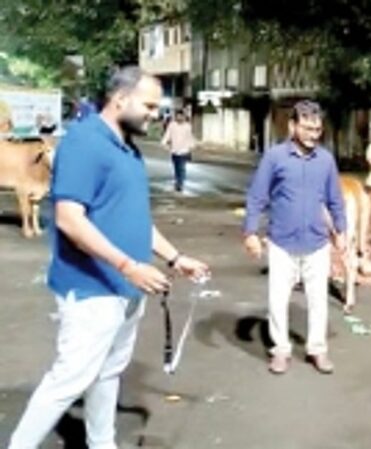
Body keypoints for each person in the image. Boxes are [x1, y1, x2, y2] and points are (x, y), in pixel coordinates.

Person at [8, 66, 210, 449]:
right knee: (68, 381)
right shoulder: (85, 142)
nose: (155, 114)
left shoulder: (127, 148)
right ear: (120, 99)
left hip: (127, 289)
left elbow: (133, 220)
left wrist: (174, 257)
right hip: (91, 290)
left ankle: (103, 444)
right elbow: (69, 220)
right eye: (149, 106)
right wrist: (128, 266)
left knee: (107, 373)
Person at [243, 100, 347, 375]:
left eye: (317, 129)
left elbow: (335, 199)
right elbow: (257, 196)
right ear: (292, 126)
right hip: (281, 241)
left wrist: (342, 231)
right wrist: (250, 232)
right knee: (278, 299)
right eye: (307, 128)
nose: (313, 134)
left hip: (316, 242)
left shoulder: (325, 160)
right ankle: (280, 350)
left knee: (318, 300)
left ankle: (317, 349)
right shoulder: (275, 157)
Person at [160, 110, 196, 193]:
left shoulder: (187, 126)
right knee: (176, 168)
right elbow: (167, 135)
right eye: (178, 116)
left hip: (184, 150)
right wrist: (164, 143)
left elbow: (189, 136)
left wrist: (191, 146)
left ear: (183, 117)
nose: (179, 118)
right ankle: (177, 181)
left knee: (182, 168)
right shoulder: (172, 125)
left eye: (181, 116)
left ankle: (180, 183)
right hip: (174, 150)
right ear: (176, 117)